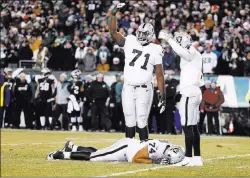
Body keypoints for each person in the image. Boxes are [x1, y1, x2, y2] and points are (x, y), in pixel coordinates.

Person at [109, 3, 166, 141]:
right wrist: (112, 15)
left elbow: (159, 74)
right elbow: (113, 33)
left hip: (144, 89)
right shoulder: (130, 40)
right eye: (140, 33)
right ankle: (129, 149)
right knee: (129, 120)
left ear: (151, 35)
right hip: (128, 87)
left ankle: (143, 149)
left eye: (144, 34)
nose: (141, 35)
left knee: (141, 120)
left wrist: (162, 93)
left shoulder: (155, 48)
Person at [159, 31, 203, 166]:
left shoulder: (190, 51)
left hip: (190, 92)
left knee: (187, 126)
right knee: (193, 126)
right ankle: (196, 158)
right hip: (194, 91)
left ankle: (188, 158)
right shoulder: (194, 51)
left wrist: (170, 40)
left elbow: (183, 53)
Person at [47, 138, 185, 165]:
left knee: (101, 152)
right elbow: (136, 158)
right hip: (127, 150)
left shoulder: (166, 145)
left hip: (129, 145)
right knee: (94, 157)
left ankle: (73, 147)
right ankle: (60, 154)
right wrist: (154, 162)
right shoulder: (159, 151)